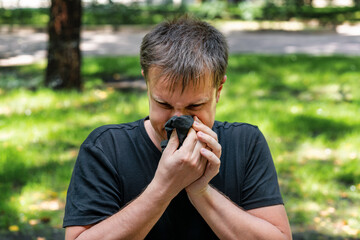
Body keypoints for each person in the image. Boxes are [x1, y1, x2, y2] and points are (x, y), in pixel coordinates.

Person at [63, 15, 292, 240]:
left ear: (219, 90)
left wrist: (200, 190)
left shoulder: (246, 143)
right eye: (163, 104)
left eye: (195, 105)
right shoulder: (106, 148)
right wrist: (164, 187)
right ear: (147, 83)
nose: (178, 119)